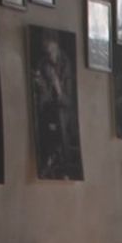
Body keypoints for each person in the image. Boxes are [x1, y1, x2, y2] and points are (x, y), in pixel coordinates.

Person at [31, 32, 81, 179]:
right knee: (43, 115)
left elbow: (69, 102)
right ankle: (47, 160)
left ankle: (64, 167)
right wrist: (41, 86)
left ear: (56, 46)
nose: (50, 57)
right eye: (47, 54)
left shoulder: (66, 64)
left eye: (51, 52)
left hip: (65, 113)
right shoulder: (43, 64)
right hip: (48, 111)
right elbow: (43, 98)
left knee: (59, 115)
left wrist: (57, 87)